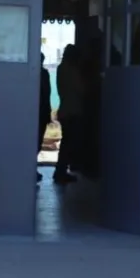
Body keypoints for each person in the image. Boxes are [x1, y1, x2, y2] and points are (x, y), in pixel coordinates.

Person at [55, 44, 84, 184]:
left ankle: (60, 171)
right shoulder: (72, 70)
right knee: (68, 144)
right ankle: (61, 172)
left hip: (65, 110)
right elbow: (80, 89)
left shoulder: (61, 68)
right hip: (72, 111)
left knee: (65, 143)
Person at [37, 53, 52, 183]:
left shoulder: (43, 74)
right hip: (39, 112)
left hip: (40, 112)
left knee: (37, 141)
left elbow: (47, 94)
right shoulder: (42, 74)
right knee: (36, 141)